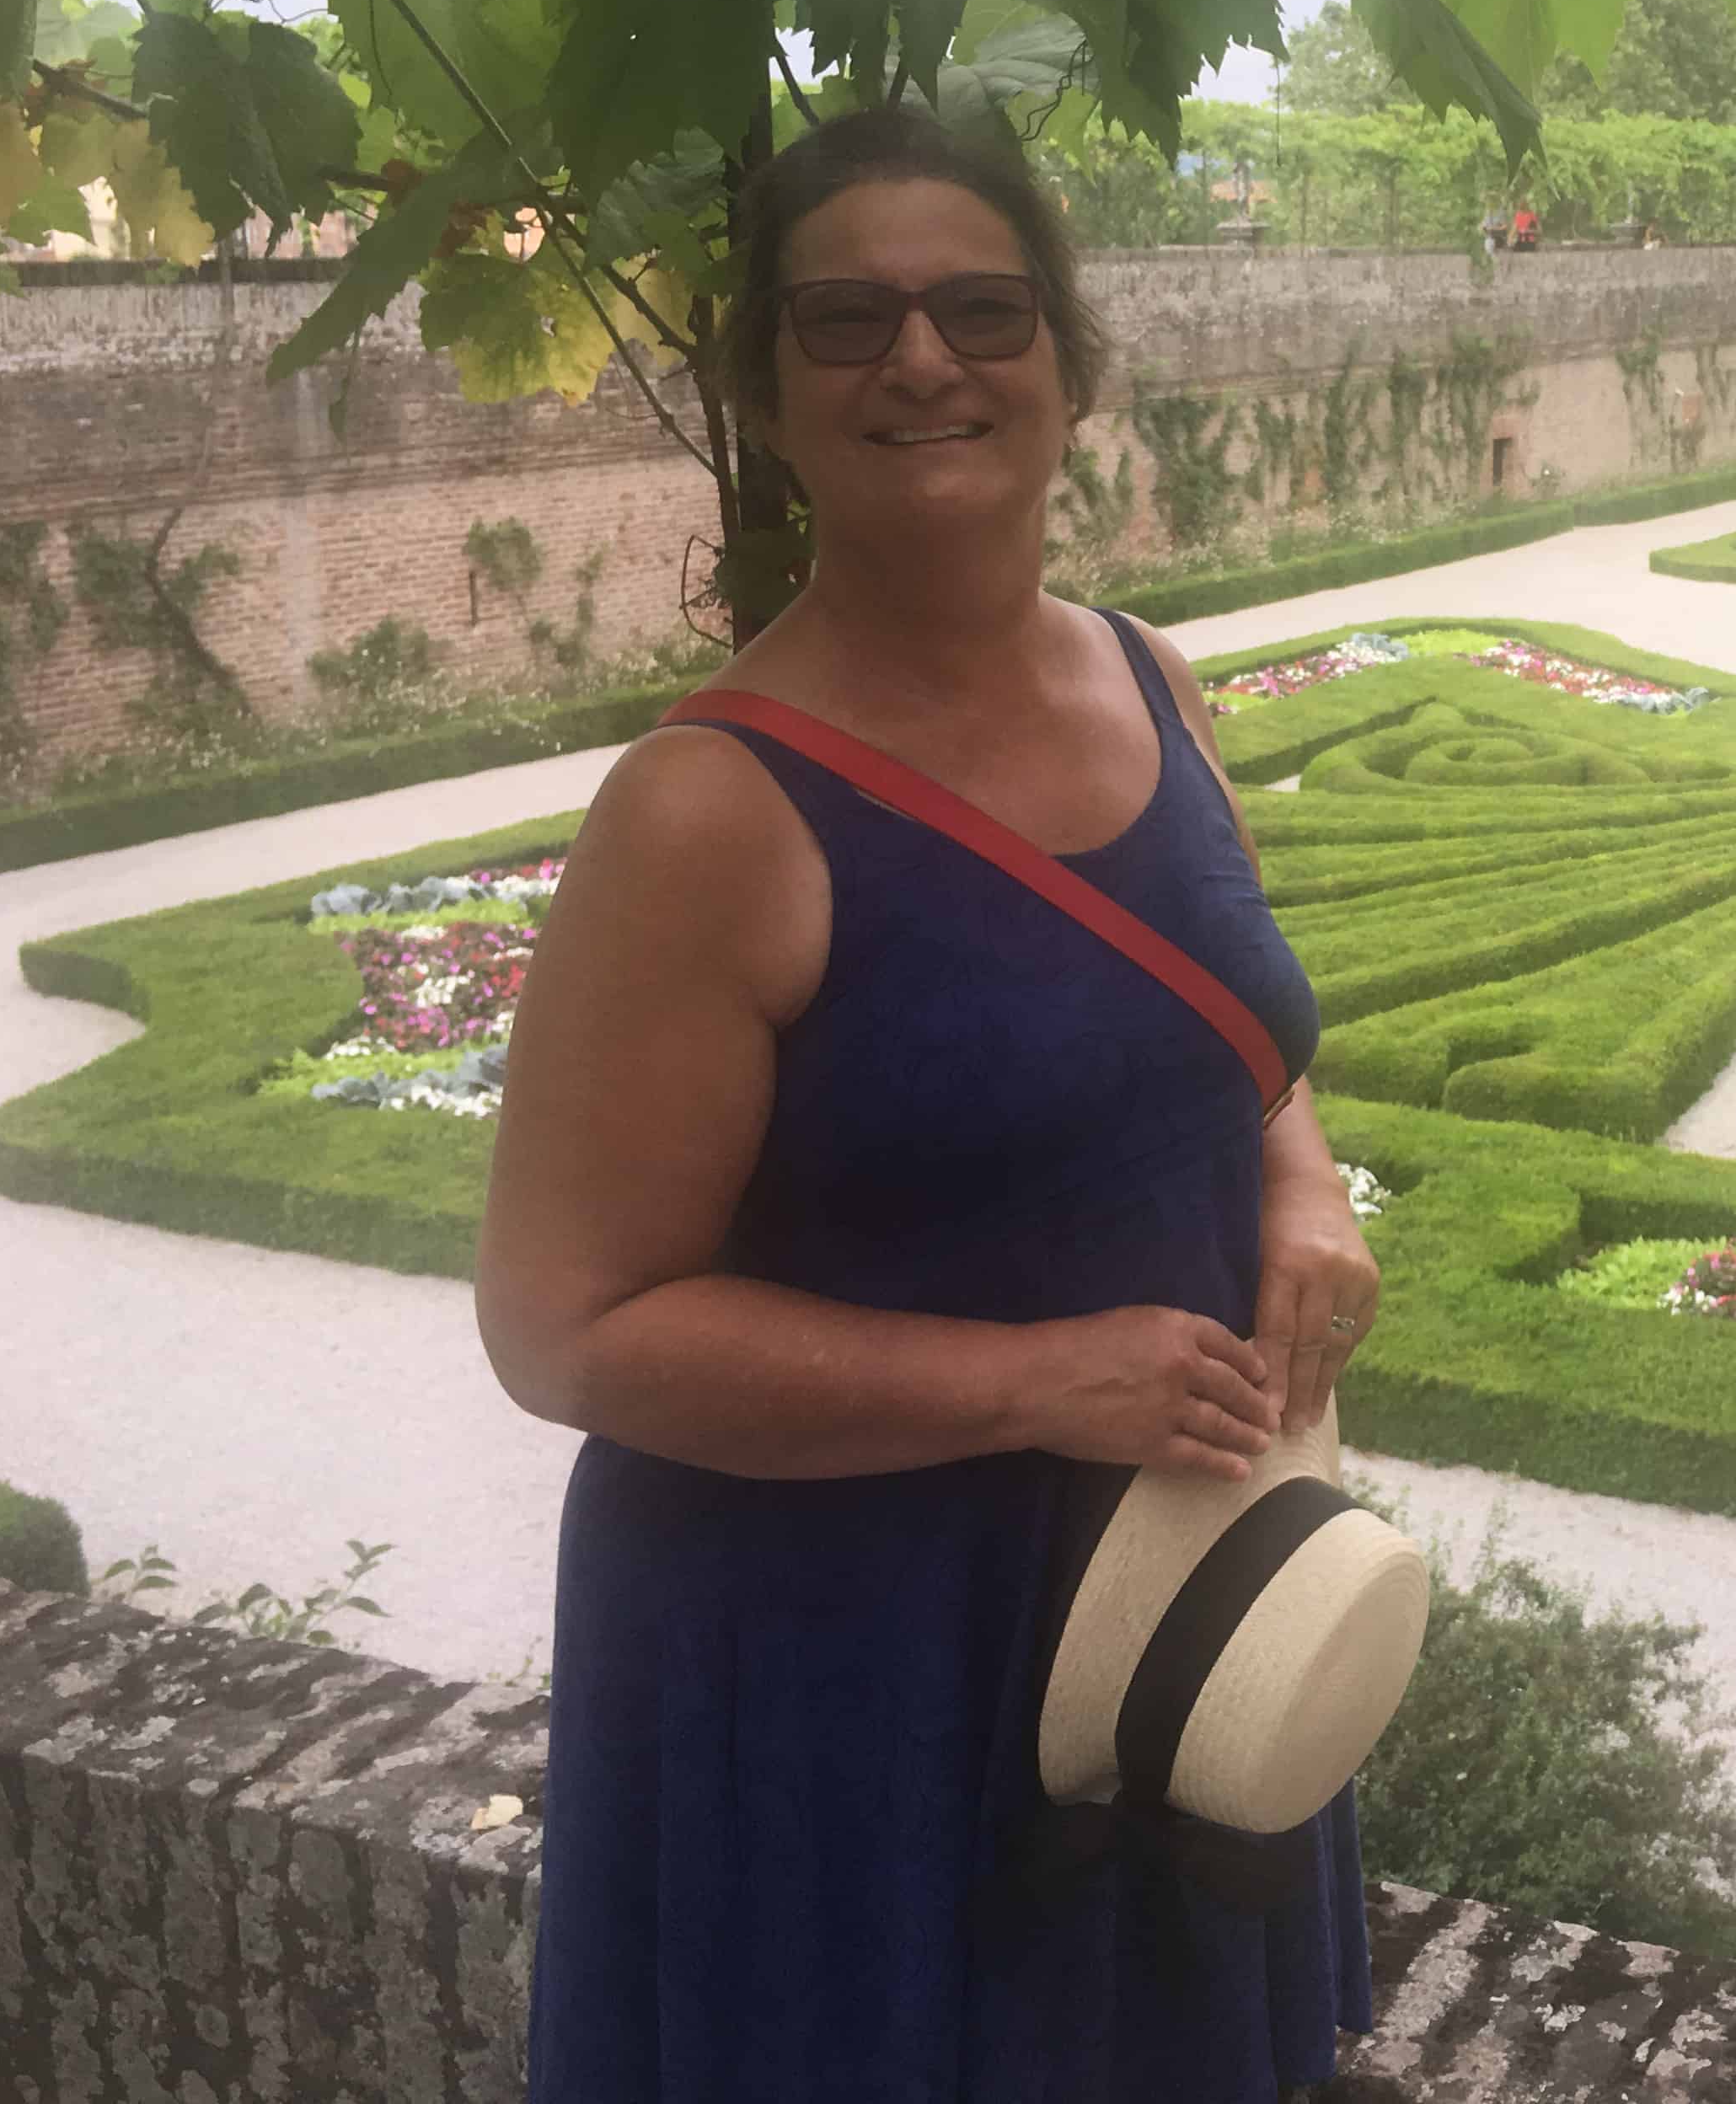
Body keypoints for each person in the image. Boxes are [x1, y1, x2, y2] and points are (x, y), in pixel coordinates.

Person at [477, 103, 1383, 2104]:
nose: (921, 360)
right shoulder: (711, 813)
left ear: (1069, 362)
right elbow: (565, 1331)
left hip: (1160, 1601)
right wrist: (1032, 1384)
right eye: (845, 319)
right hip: (846, 1664)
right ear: (771, 393)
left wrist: (1300, 1181)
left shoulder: (1148, 677)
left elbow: (1229, 1044)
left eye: (983, 308)